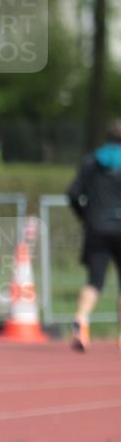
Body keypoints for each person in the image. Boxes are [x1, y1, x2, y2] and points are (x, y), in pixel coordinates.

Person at [67, 118, 121, 351]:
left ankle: (81, 320)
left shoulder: (92, 161)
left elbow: (72, 192)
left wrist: (85, 216)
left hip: (97, 226)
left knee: (94, 280)